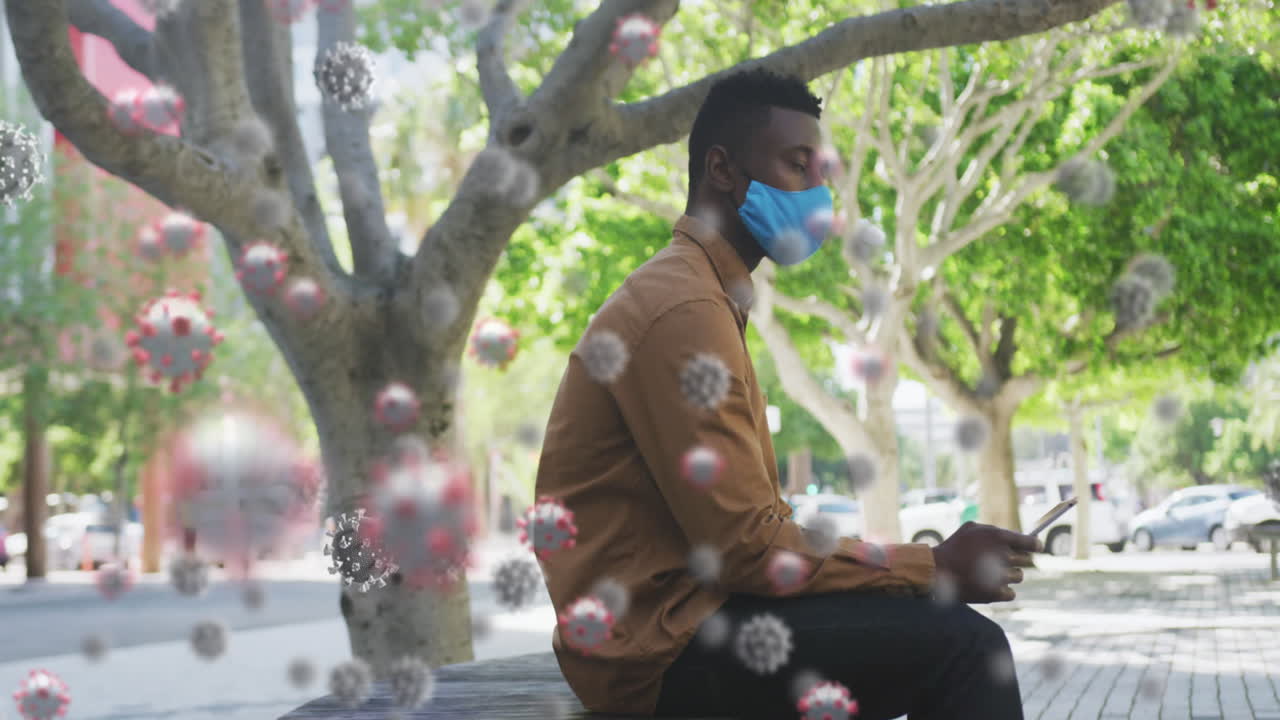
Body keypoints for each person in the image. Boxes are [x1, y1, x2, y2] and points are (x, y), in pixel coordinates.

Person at [533, 67, 1041, 720]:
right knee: (968, 648)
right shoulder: (684, 308)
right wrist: (932, 564)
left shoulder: (702, 293)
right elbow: (747, 550)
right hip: (661, 651)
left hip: (690, 619)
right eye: (798, 166)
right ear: (723, 169)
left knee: (921, 627)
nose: (816, 194)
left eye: (820, 172)